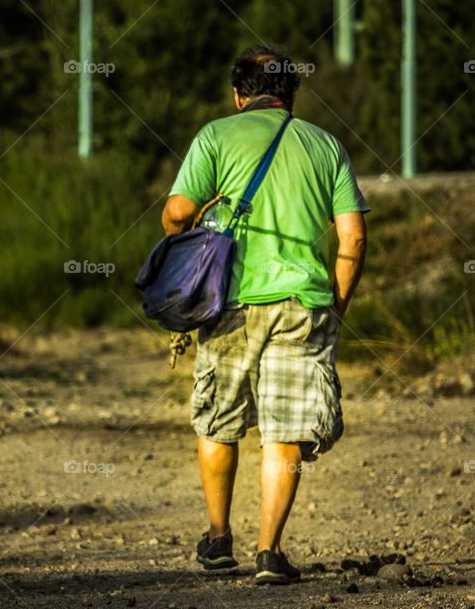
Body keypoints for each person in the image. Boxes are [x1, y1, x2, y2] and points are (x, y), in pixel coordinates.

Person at [161, 44, 369, 585]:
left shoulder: (215, 136)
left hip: (228, 304)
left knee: (219, 420)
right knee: (287, 430)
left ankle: (218, 539)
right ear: (291, 95)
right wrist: (336, 304)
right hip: (304, 304)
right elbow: (353, 236)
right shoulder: (326, 146)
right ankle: (269, 553)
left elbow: (176, 215)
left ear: (238, 95)